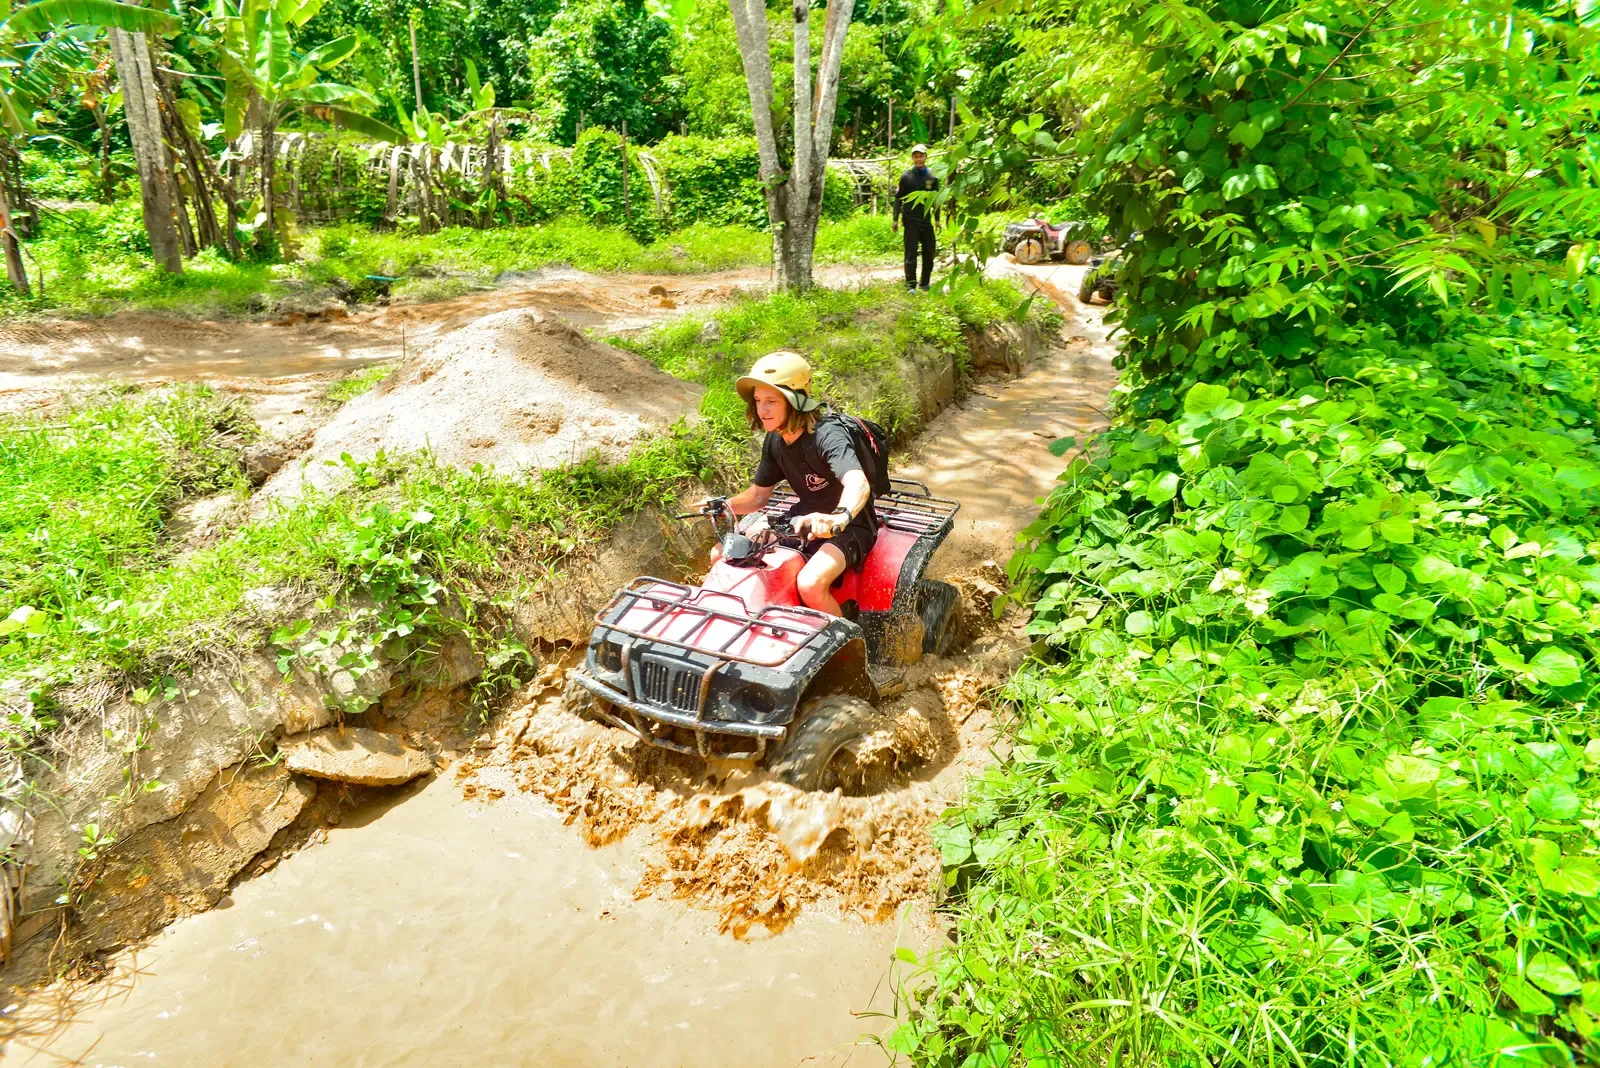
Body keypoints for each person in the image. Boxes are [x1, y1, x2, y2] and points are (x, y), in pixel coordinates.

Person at [703, 350, 876, 617]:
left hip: (850, 525)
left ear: (794, 402)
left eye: (771, 400)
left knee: (811, 584)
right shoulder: (776, 439)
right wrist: (725, 504)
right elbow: (759, 496)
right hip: (802, 519)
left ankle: (851, 648)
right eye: (758, 400)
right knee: (723, 556)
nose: (762, 409)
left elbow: (858, 481)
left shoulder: (828, 435)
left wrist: (838, 517)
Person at [892, 145, 939, 292]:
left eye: (921, 156)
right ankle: (910, 285)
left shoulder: (933, 177)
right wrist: (895, 219)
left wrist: (937, 219)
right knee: (911, 252)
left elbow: (936, 200)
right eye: (916, 156)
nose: (919, 159)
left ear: (926, 157)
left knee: (929, 252)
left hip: (926, 221)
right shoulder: (906, 177)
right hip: (910, 220)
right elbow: (898, 199)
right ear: (912, 158)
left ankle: (925, 283)